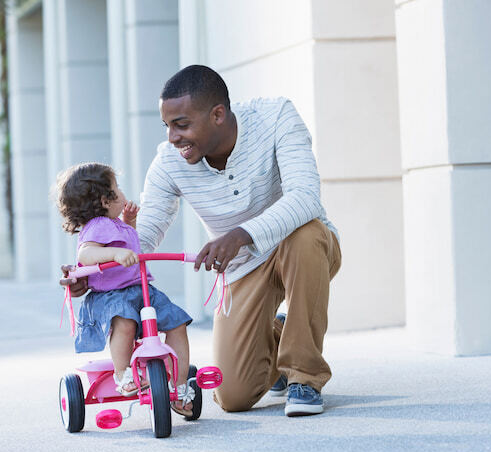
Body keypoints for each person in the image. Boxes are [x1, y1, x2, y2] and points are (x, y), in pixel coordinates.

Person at [62, 65, 341, 417]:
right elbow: (141, 239)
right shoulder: (169, 162)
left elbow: (306, 198)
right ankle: (280, 332)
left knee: (306, 234)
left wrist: (239, 235)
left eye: (181, 124)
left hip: (302, 248)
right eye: (167, 126)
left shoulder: (276, 117)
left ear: (218, 115)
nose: (172, 138)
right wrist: (96, 272)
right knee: (234, 396)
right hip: (243, 269)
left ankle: (305, 376)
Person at [54, 162, 195, 416]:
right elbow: (86, 254)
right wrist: (115, 253)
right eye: (116, 188)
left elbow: (129, 245)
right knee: (125, 322)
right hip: (111, 297)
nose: (121, 192)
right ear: (104, 200)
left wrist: (130, 223)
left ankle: (179, 384)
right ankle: (123, 375)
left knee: (176, 322)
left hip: (140, 290)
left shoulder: (115, 224)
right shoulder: (97, 225)